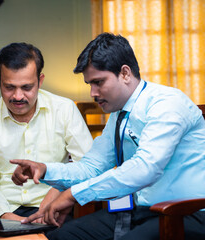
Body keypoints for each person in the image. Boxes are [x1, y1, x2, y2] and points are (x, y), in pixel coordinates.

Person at [11, 33, 205, 240]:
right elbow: (91, 167)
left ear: (125, 73)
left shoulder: (167, 103)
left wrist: (73, 194)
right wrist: (45, 169)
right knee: (63, 236)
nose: (93, 93)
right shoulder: (118, 114)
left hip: (185, 213)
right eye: (89, 84)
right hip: (139, 210)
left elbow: (145, 168)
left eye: (99, 82)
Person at [0, 42, 93, 222]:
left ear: (40, 80)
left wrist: (57, 195)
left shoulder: (64, 109)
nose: (18, 96)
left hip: (55, 206)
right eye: (9, 87)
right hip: (5, 211)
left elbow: (87, 164)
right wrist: (9, 219)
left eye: (27, 87)